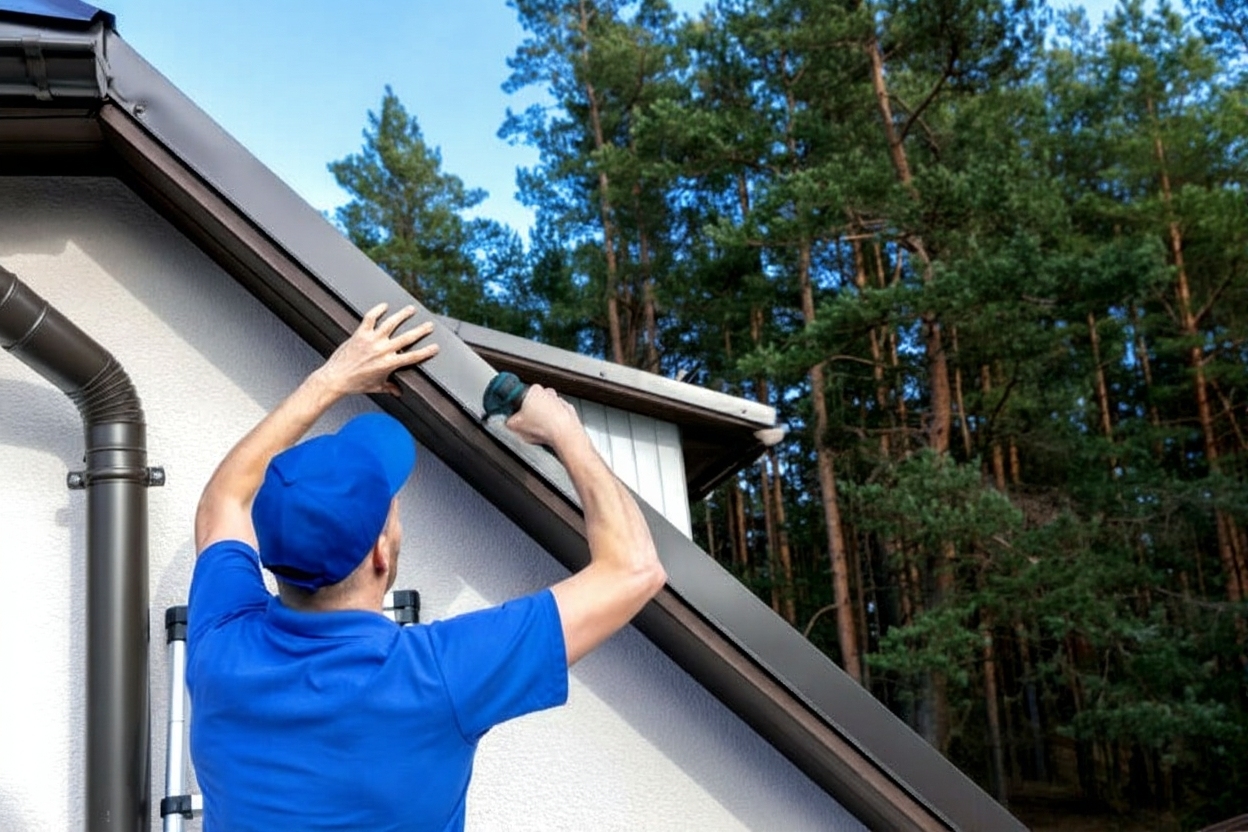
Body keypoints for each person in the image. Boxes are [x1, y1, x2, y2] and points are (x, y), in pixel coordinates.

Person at [187, 303, 665, 831]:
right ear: (380, 554)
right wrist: (567, 433)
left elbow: (225, 500)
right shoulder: (437, 676)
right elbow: (634, 568)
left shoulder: (219, 644)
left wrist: (330, 379)